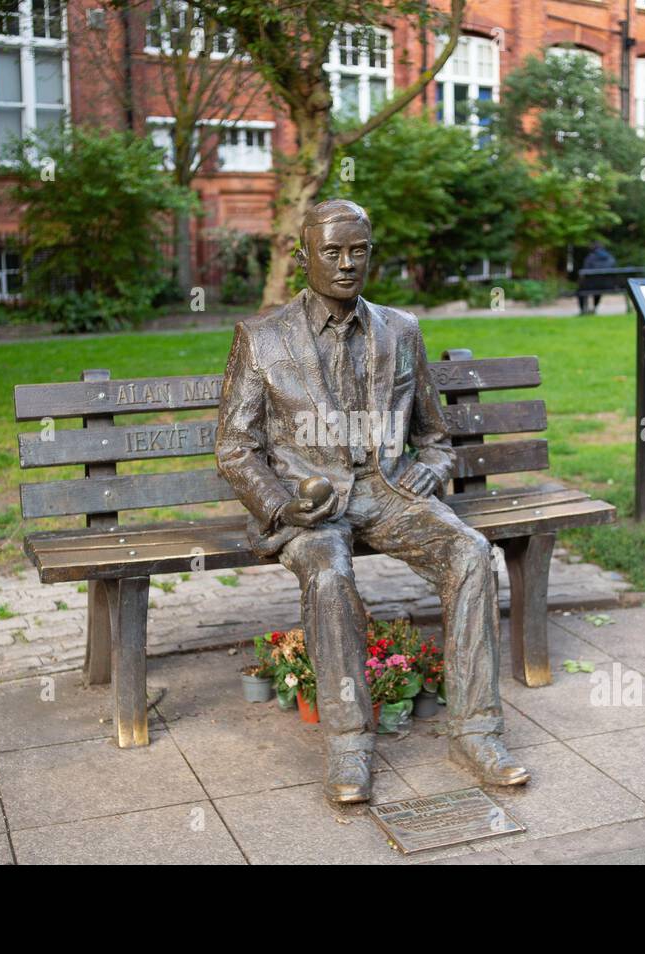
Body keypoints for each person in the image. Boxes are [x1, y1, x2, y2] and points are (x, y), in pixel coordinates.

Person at [215, 199, 530, 804]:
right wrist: (281, 505)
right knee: (330, 575)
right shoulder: (261, 339)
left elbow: (436, 438)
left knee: (470, 552)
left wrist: (431, 471)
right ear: (305, 255)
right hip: (314, 506)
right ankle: (349, 744)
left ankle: (476, 732)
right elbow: (235, 449)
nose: (345, 264)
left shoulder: (399, 328)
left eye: (357, 251)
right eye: (331, 252)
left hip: (387, 493)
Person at [577, 241, 616, 314]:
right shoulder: (610, 258)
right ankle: (594, 308)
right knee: (598, 288)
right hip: (607, 286)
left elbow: (584, 272)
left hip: (590, 286)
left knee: (581, 290)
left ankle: (583, 310)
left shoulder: (590, 258)